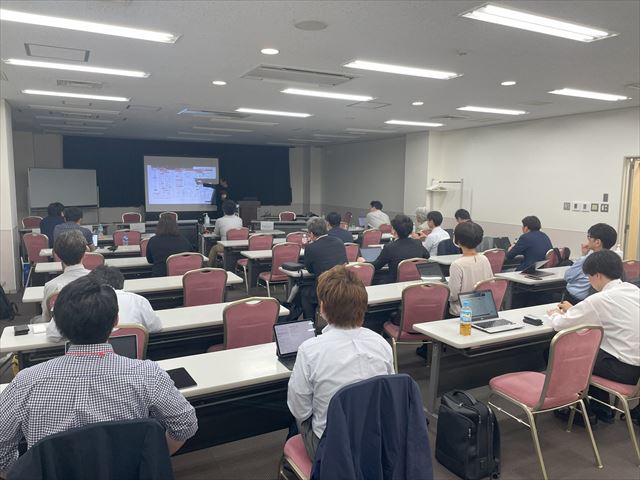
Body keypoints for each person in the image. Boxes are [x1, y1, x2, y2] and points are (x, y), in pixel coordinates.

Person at [0, 276, 198, 472]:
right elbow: (185, 425)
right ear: (116, 321)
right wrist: (146, 461)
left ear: (57, 324)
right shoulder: (148, 374)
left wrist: (31, 472)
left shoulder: (26, 382)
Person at [287, 265, 395, 459]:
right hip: (376, 441)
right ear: (363, 305)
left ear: (322, 308)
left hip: (332, 450)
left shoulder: (309, 350)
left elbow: (299, 410)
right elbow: (389, 394)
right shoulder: (381, 344)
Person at [548, 250, 639, 424]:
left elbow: (560, 325)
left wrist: (553, 315)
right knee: (596, 351)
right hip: (636, 370)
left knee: (565, 355)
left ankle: (582, 412)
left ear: (597, 275)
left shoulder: (600, 299)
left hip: (624, 370)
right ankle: (601, 409)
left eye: (589, 277)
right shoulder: (633, 290)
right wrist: (576, 310)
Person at [46, 266, 162, 341]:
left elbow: (53, 335)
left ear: (91, 284)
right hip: (131, 361)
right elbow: (155, 327)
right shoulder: (138, 300)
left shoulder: (77, 300)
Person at [301, 217, 348, 319]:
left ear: (311, 234)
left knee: (305, 294)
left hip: (325, 288)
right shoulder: (339, 242)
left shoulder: (311, 247)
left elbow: (310, 270)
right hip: (342, 285)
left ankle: (310, 324)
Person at [40, 230, 90, 323]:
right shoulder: (99, 280)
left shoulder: (51, 286)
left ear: (58, 256)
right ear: (85, 254)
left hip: (63, 331)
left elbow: (46, 320)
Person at [563, 223, 617, 305]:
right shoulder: (613, 259)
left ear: (597, 242)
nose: (587, 241)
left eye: (589, 237)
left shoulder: (588, 260)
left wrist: (583, 257)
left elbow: (567, 277)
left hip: (574, 300)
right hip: (597, 301)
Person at [448, 221, 494, 316]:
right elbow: (491, 282)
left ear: (457, 240)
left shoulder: (457, 264)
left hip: (461, 312)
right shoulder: (484, 258)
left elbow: (453, 295)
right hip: (482, 308)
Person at [369, 214, 430, 283]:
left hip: (395, 282)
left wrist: (363, 262)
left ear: (394, 231)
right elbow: (427, 256)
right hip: (416, 282)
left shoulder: (389, 247)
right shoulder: (417, 243)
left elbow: (376, 266)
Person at [207, 199, 243, 266]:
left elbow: (216, 234)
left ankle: (209, 266)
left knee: (214, 248)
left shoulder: (219, 220)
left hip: (226, 247)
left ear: (223, 210)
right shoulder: (240, 220)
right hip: (238, 247)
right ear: (235, 209)